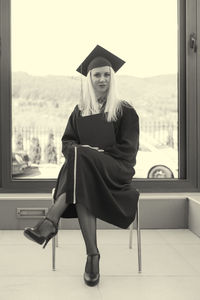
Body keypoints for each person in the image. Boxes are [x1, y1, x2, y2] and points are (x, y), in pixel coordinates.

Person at [24, 45, 140, 287]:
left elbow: (128, 151)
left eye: (107, 74)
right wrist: (85, 153)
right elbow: (67, 142)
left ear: (112, 77)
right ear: (89, 78)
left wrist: (99, 152)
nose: (102, 79)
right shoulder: (80, 111)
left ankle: (50, 221)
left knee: (81, 157)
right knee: (79, 161)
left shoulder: (125, 110)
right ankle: (92, 256)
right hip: (85, 174)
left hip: (116, 170)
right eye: (97, 74)